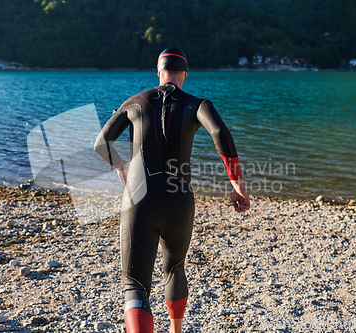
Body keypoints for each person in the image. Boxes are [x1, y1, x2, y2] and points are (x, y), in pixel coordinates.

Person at [94, 47, 250, 333]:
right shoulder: (197, 104)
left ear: (159, 72)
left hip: (138, 200)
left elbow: (100, 144)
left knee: (135, 285)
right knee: (175, 268)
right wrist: (236, 185)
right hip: (179, 200)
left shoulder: (135, 101)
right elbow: (219, 133)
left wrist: (121, 167)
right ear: (185, 75)